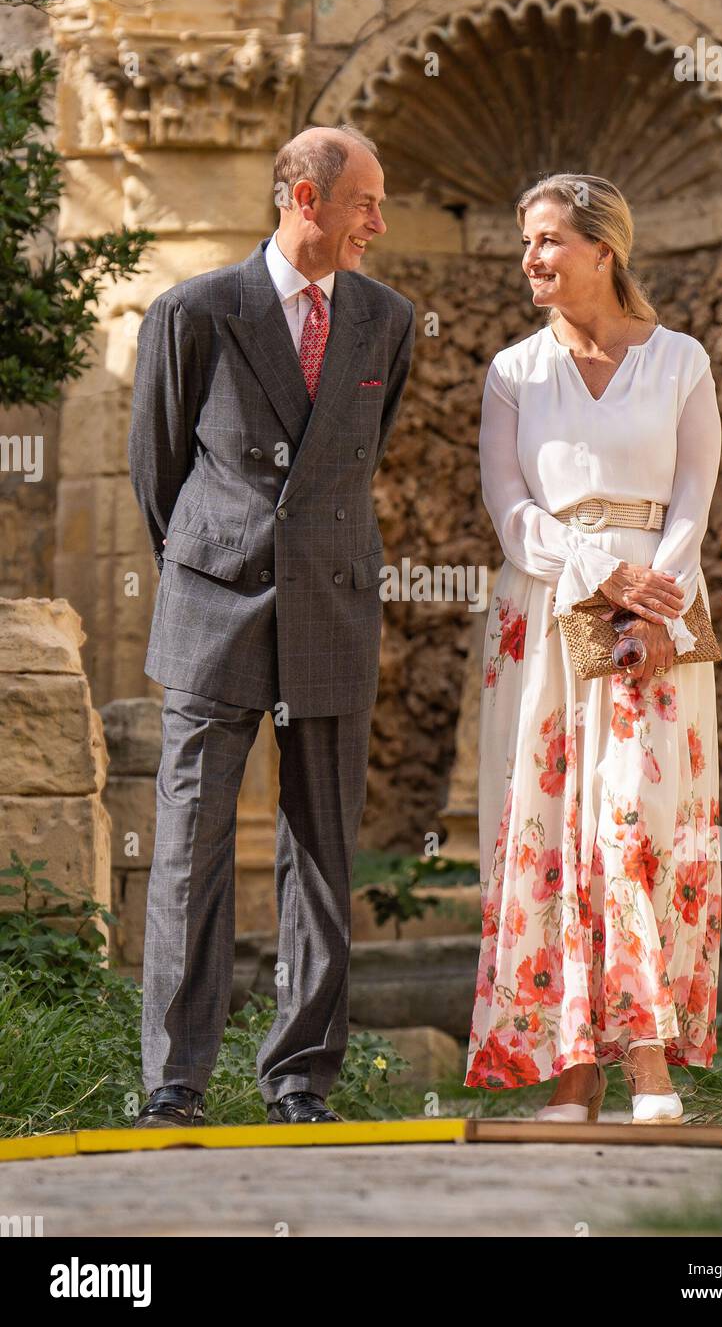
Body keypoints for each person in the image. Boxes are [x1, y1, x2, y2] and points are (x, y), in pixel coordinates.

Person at [127, 125, 415, 1126]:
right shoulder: (194, 310)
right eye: (363, 204)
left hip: (332, 605)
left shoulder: (387, 319)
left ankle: (300, 1081)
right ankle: (175, 1082)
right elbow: (157, 476)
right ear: (304, 198)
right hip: (214, 610)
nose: (377, 224)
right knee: (189, 847)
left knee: (322, 854)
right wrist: (218, 564)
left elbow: (351, 461)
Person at [465, 174, 722, 1125]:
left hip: (662, 607)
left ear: (602, 249)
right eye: (526, 242)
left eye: (547, 241)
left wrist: (655, 602)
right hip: (546, 609)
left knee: (634, 822)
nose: (531, 258)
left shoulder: (682, 360)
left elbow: (695, 494)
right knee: (552, 825)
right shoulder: (513, 371)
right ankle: (573, 1078)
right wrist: (599, 577)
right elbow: (508, 507)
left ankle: (649, 1066)